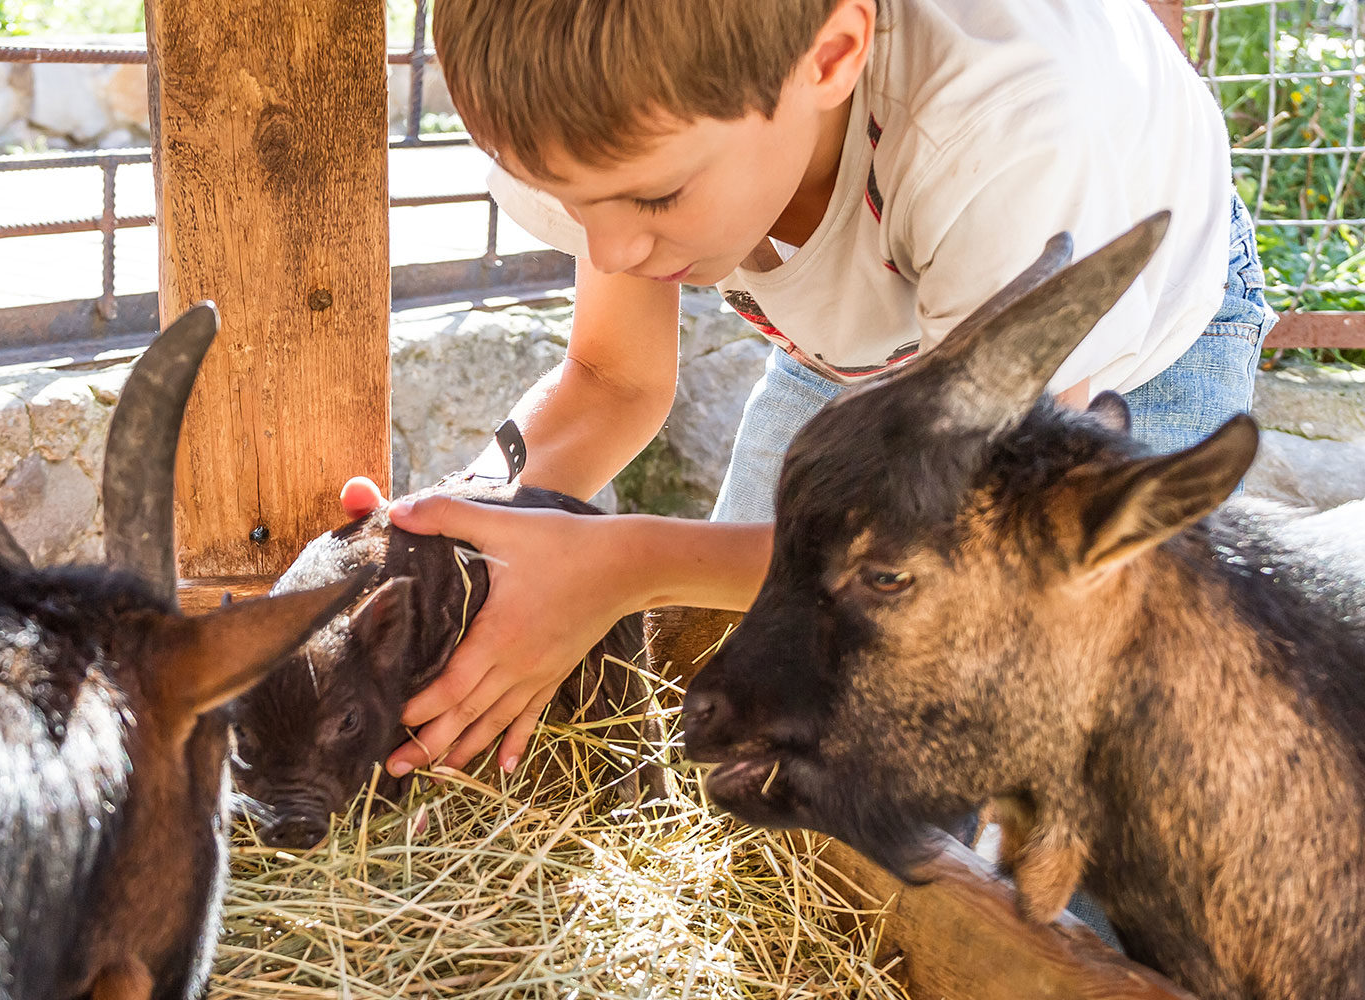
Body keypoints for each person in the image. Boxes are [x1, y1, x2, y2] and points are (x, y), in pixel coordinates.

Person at [356, 0, 1276, 779]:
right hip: (860, 337)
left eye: (654, 199)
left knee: (1089, 762)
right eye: (567, 201)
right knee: (754, 731)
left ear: (831, 56)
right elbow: (610, 378)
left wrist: (618, 567)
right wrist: (469, 526)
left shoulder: (1007, 133)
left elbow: (975, 551)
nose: (610, 254)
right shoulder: (637, 108)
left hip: (1126, 358)